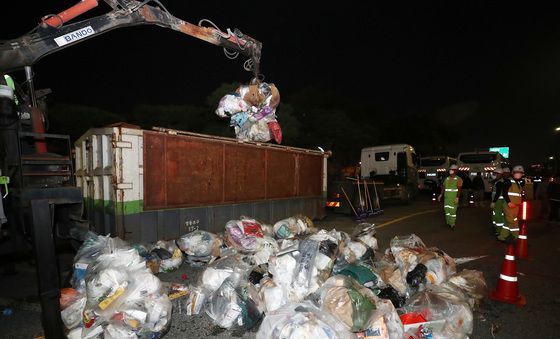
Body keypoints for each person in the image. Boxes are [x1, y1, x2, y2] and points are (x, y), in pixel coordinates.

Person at [498, 165, 524, 242]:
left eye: (520, 173)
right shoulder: (508, 181)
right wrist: (509, 202)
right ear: (513, 173)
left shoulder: (518, 183)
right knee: (512, 221)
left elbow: (519, 194)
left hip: (516, 206)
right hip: (509, 205)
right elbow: (504, 192)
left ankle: (502, 236)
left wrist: (521, 202)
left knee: (508, 222)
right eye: (517, 172)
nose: (518, 174)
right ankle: (517, 237)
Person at [438, 164, 463, 229]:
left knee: (453, 212)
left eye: (452, 170)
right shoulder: (447, 178)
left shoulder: (458, 179)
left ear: (455, 171)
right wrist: (440, 195)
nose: (450, 171)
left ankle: (452, 224)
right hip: (447, 199)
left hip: (453, 199)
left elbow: (459, 189)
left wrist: (457, 197)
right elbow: (443, 187)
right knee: (447, 211)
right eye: (450, 169)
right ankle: (448, 222)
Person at [490, 168, 505, 236]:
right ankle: (496, 228)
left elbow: (498, 193)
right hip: (498, 201)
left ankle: (499, 231)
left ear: (500, 175)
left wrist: (494, 201)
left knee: (498, 216)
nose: (494, 175)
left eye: (495, 174)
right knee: (496, 214)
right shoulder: (498, 181)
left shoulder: (499, 182)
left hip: (498, 202)